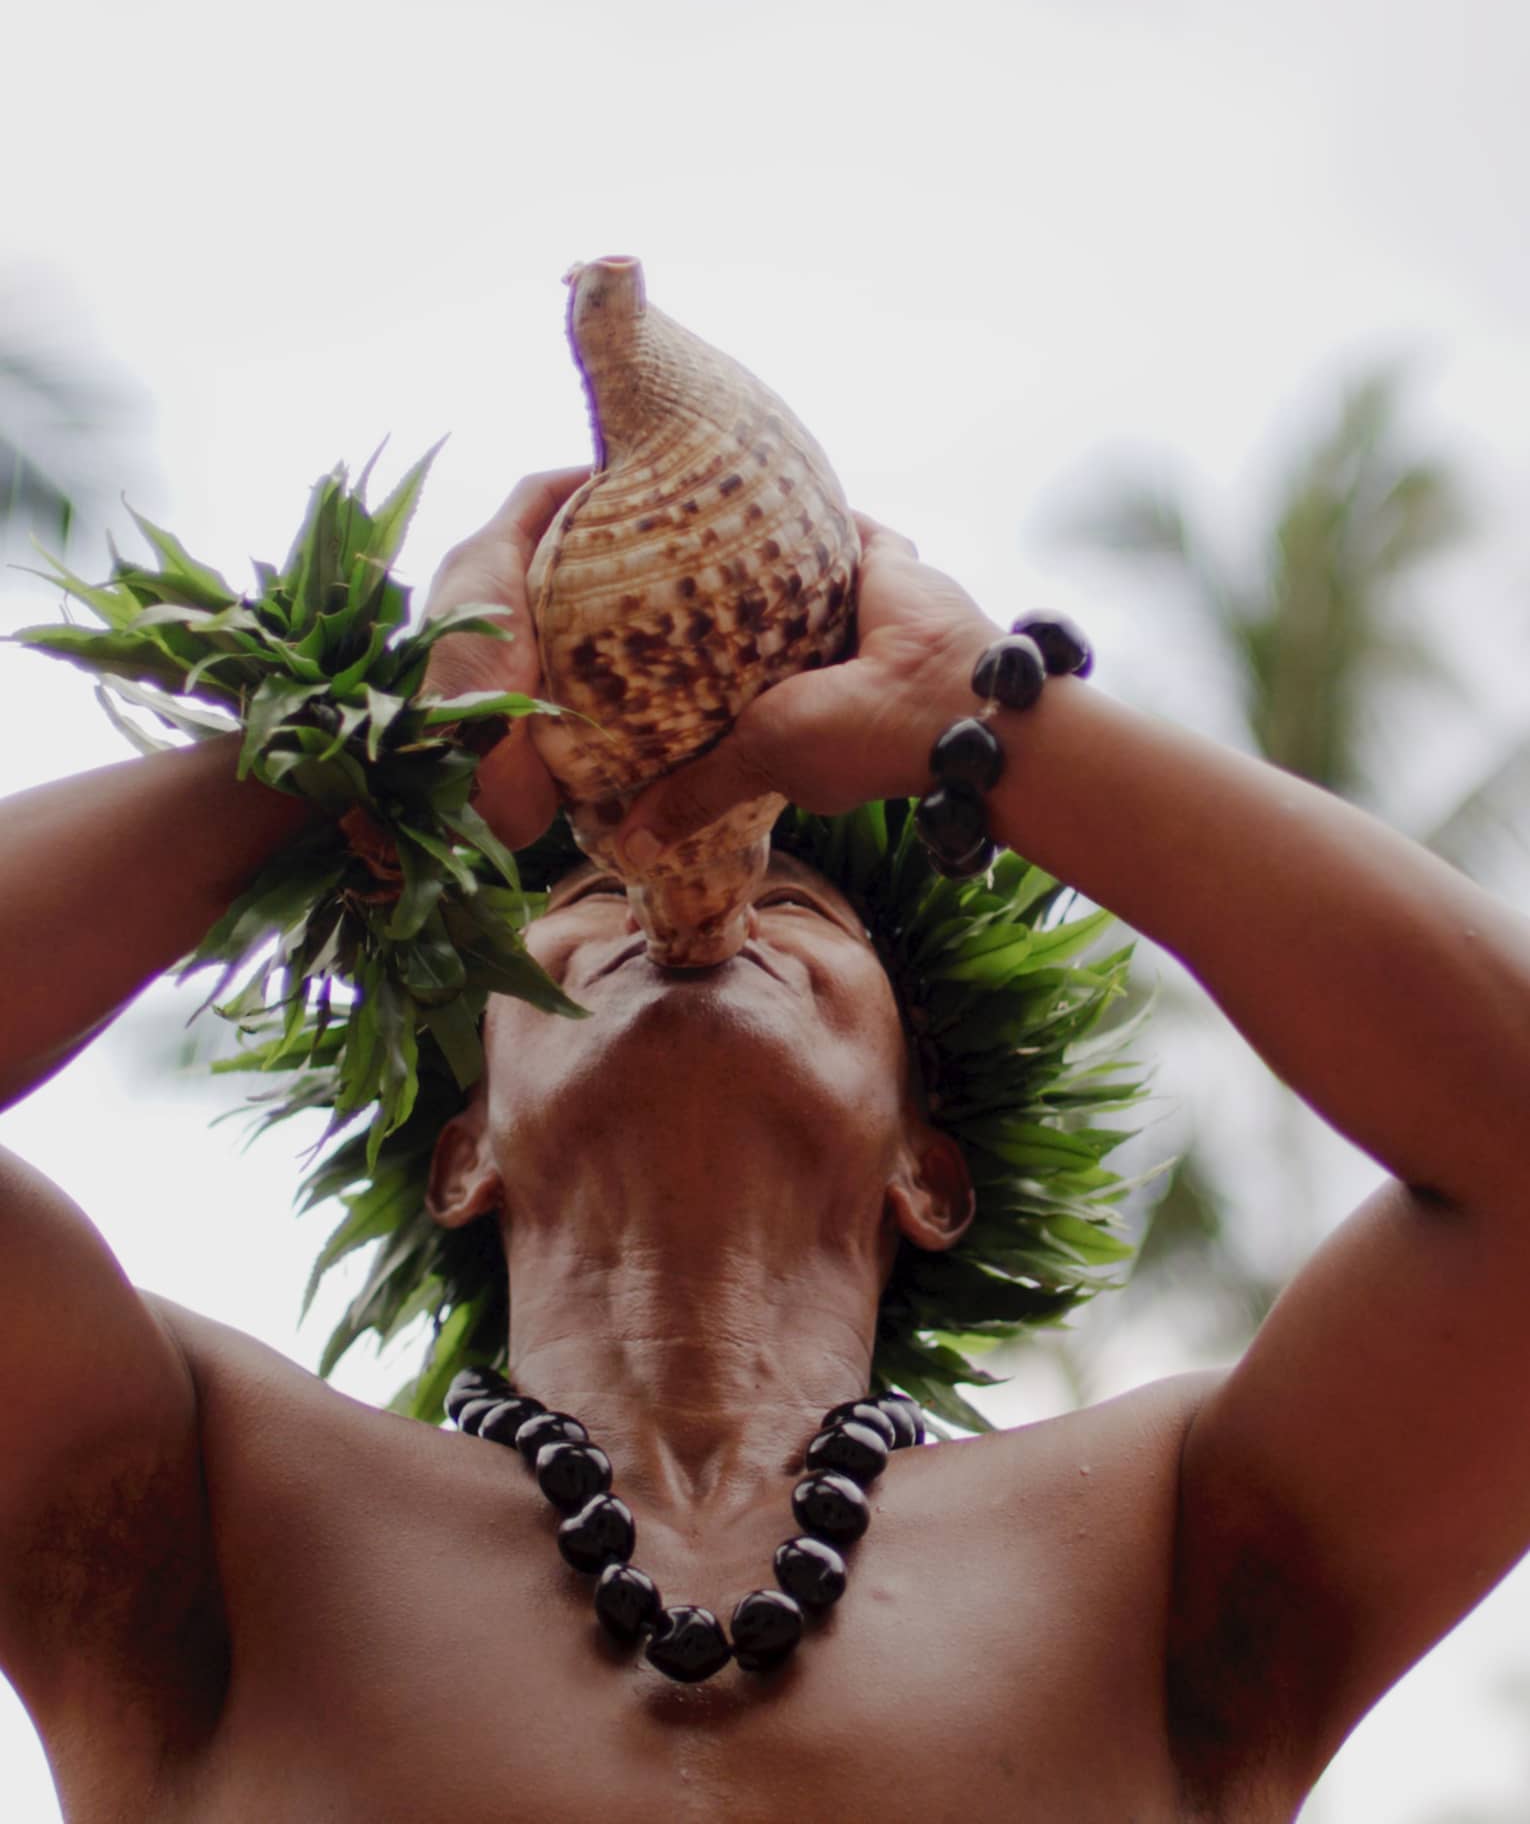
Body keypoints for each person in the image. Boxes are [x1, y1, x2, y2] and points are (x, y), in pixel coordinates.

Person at [3, 464, 1530, 1824]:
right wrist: (383, 753)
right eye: (584, 897)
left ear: (923, 1172)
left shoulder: (1153, 1544)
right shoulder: (217, 1505)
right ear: (463, 1150)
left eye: (794, 902)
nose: (691, 899)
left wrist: (983, 720)